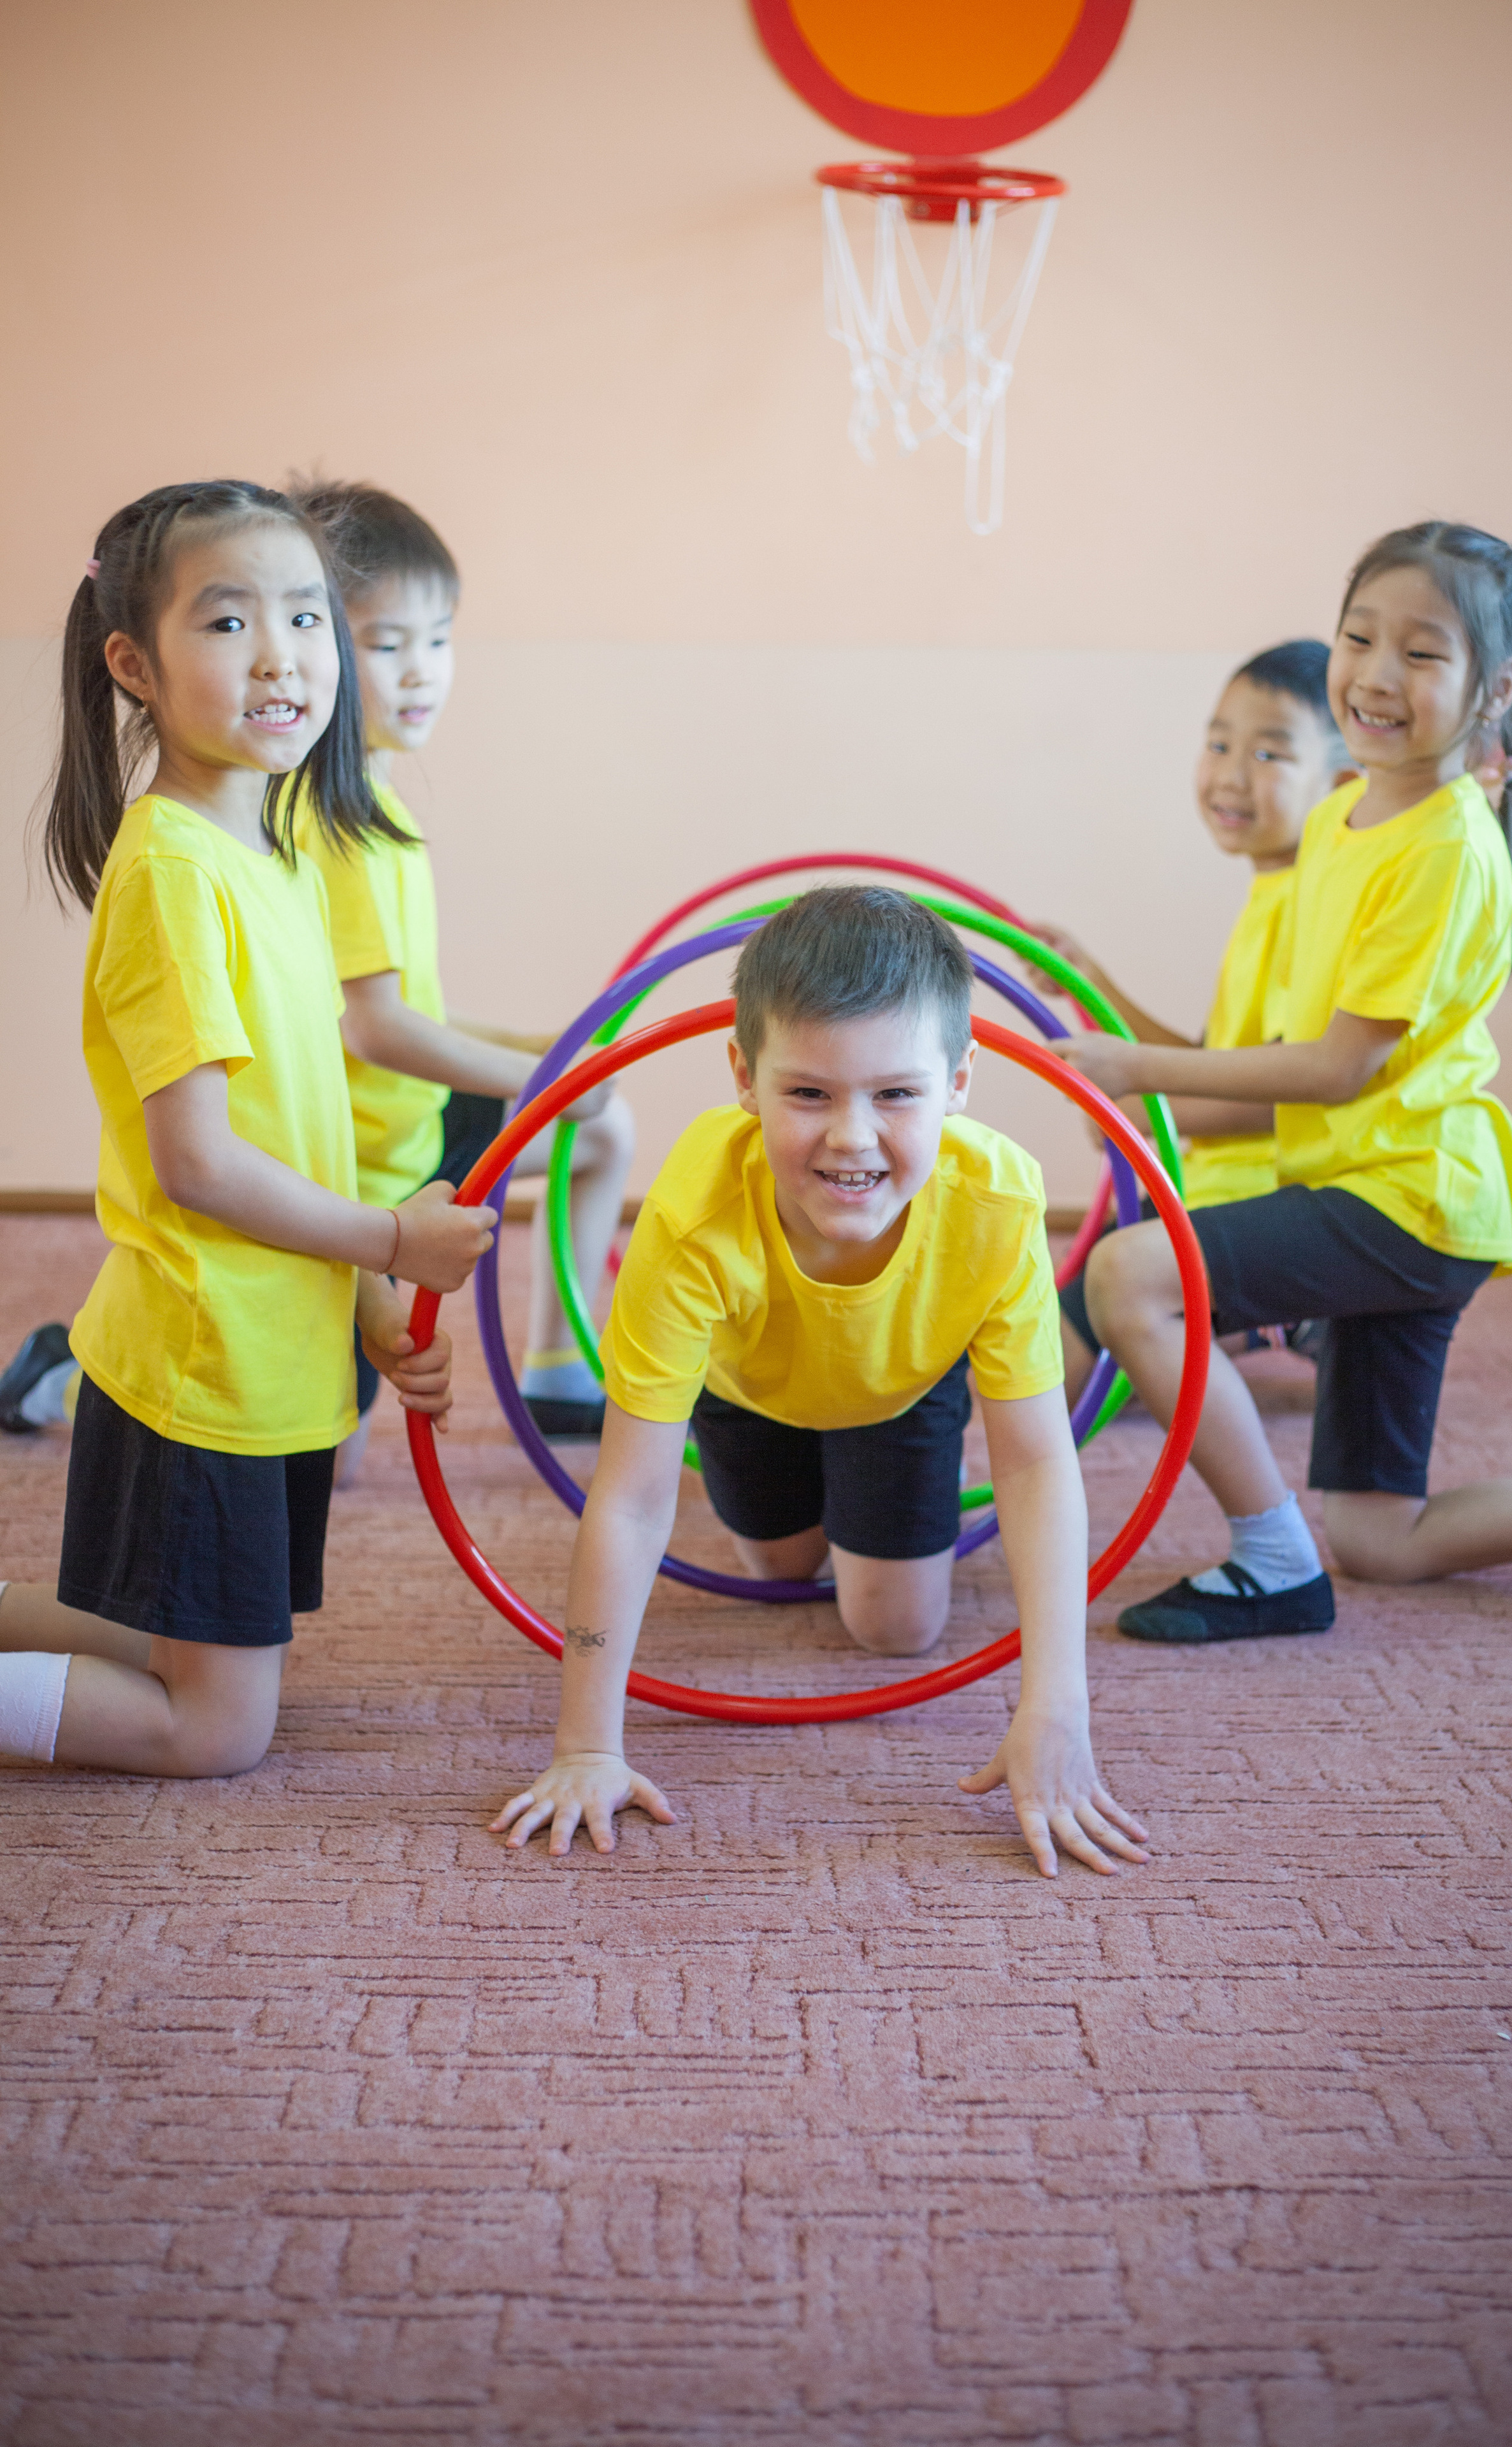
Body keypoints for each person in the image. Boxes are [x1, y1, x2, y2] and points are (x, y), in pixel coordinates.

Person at [489, 887, 1151, 1879]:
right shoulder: (691, 1218)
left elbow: (1031, 1461)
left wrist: (1054, 1704)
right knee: (780, 1572)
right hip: (749, 1388)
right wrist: (587, 1745)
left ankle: (879, 1501)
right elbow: (628, 1498)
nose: (851, 1137)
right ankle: (808, 1491)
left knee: (895, 1628)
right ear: (744, 1081)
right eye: (809, 1094)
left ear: (959, 1082)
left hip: (902, 1386)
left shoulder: (996, 1206)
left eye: (895, 1094)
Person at [0, 481, 495, 1777]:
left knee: (167, 1637)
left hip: (270, 1353)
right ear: (134, 666)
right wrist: (392, 1233)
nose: (284, 657)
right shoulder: (172, 873)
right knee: (216, 1730)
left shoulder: (270, 851)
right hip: (203, 1364)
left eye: (308, 619)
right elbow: (201, 1162)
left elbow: (302, 1130)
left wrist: (372, 1306)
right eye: (227, 624)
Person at [1057, 521, 1512, 1642]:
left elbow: (1334, 1067)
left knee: (1133, 1278)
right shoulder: (1339, 819)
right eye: (1359, 636)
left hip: (1407, 1195)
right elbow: (1286, 1052)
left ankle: (1271, 1562)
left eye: (1421, 653)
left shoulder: (1448, 846)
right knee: (1380, 1535)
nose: (1374, 673)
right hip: (1384, 1190)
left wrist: (1139, 1071)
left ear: (1494, 685)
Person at [287, 481, 636, 1473]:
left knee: (603, 1121)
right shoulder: (336, 820)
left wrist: (536, 1051)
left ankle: (560, 1365)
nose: (421, 671)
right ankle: (62, 1371)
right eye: (386, 642)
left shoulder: (377, 795)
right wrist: (536, 1080)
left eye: (438, 639)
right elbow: (376, 1030)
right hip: (347, 1173)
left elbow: (407, 1013)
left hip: (408, 1123)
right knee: (326, 1457)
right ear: (311, 641)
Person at [1024, 639, 1351, 1399]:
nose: (1230, 773)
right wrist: (1097, 982)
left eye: (1269, 755)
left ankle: (1284, 1318)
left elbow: (1290, 1085)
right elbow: (1214, 1056)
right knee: (1034, 1353)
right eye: (1218, 742)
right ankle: (1254, 1329)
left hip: (1255, 1200)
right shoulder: (1271, 890)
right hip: (1205, 1187)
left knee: (1048, 1377)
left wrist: (1146, 1107)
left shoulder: (1315, 903)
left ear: (1338, 785)